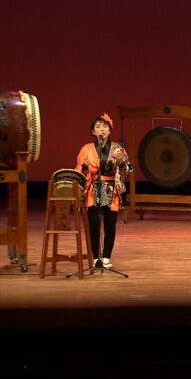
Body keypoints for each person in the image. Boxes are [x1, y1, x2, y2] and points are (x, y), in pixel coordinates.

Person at [75, 113, 131, 269]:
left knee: (110, 224)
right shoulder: (86, 149)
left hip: (111, 188)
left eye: (105, 126)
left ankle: (106, 257)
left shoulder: (118, 149)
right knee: (93, 224)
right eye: (98, 127)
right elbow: (78, 171)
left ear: (110, 130)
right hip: (93, 188)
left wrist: (121, 162)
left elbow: (127, 171)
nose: (102, 129)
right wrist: (84, 166)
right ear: (93, 131)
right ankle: (95, 257)